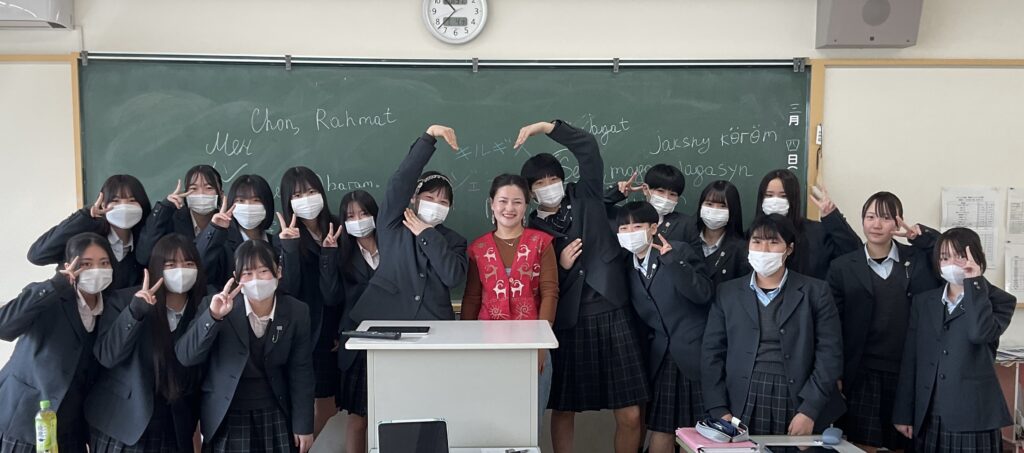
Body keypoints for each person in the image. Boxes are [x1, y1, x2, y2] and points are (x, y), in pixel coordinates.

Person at [517, 120, 648, 453]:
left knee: (631, 412)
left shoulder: (586, 196)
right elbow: (535, 285)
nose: (549, 187)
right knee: (564, 409)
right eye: (540, 183)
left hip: (613, 309)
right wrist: (560, 267)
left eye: (553, 179)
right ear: (530, 193)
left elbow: (588, 148)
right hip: (569, 322)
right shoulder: (531, 230)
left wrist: (548, 127)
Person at [343, 125, 468, 453]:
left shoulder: (453, 240)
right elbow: (400, 180)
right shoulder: (391, 224)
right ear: (414, 198)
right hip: (383, 331)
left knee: (426, 410)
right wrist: (428, 138)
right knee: (371, 413)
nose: (435, 204)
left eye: (443, 201)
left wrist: (427, 233)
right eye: (429, 197)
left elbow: (453, 276)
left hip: (432, 336)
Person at [702, 214, 844, 443]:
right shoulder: (727, 293)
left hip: (798, 401)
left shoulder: (816, 292)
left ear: (789, 249)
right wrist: (719, 408)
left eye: (773, 242)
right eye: (757, 241)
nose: (764, 249)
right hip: (741, 399)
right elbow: (712, 353)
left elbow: (829, 355)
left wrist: (810, 410)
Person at [826, 192, 942, 452]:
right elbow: (831, 327)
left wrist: (920, 237)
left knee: (903, 441)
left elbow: (946, 254)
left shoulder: (918, 259)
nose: (876, 224)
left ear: (898, 222)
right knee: (860, 443)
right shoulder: (842, 267)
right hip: (861, 371)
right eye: (870, 217)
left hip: (907, 371)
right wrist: (835, 373)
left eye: (885, 218)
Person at [175, 240, 314, 453]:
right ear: (236, 277)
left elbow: (301, 371)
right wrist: (213, 317)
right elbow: (186, 356)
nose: (256, 280)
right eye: (247, 273)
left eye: (263, 271)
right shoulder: (216, 305)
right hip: (228, 412)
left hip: (275, 409)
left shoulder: (297, 312)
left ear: (278, 272)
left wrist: (303, 425)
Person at [893, 228, 1015, 452]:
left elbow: (979, 333)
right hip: (929, 412)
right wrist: (903, 412)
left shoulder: (999, 300)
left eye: (959, 256)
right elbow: (912, 358)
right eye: (944, 257)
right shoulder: (924, 302)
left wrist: (974, 283)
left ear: (976, 257)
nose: (951, 263)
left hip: (973, 416)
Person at [87, 233, 206, 452]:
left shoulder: (204, 308)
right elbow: (107, 356)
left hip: (174, 426)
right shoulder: (125, 300)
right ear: (156, 267)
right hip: (124, 423)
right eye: (171, 264)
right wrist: (135, 311)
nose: (181, 270)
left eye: (189, 264)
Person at [0, 232, 116, 453]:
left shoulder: (112, 307)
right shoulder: (48, 296)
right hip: (24, 419)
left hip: (71, 428)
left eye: (104, 263)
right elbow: (4, 327)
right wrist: (55, 285)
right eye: (86, 264)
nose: (96, 270)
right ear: (69, 265)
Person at [461, 173, 559, 431]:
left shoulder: (541, 243)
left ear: (526, 206)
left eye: (517, 202)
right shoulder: (478, 248)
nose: (509, 208)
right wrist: (467, 345)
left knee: (528, 425)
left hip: (531, 344)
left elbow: (549, 292)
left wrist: (541, 346)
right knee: (489, 422)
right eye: (503, 201)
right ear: (492, 204)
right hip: (486, 345)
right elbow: (471, 298)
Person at [616, 201, 711, 453]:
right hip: (661, 358)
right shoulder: (626, 266)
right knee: (662, 429)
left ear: (653, 228)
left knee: (700, 434)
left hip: (695, 354)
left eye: (637, 226)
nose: (630, 233)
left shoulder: (678, 251)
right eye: (624, 228)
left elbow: (703, 294)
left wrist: (672, 261)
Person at [277, 165, 343, 435]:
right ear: (288, 201)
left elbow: (336, 291)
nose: (306, 199)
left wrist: (329, 254)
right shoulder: (285, 237)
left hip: (335, 327)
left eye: (311, 191)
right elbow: (289, 290)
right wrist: (289, 248)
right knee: (307, 400)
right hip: (304, 331)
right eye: (297, 195)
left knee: (332, 403)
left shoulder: (338, 227)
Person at [323, 189, 381, 453]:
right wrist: (328, 255)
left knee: (393, 413)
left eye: (364, 213)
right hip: (357, 343)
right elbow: (331, 296)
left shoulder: (393, 245)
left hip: (393, 337)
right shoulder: (342, 252)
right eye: (350, 216)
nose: (358, 220)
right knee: (359, 419)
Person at [28, 175, 151, 289]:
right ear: (103, 204)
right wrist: (84, 216)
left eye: (132, 200)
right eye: (116, 201)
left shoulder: (145, 243)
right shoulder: (84, 238)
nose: (124, 207)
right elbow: (37, 255)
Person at [753, 169, 860, 279]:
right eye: (769, 195)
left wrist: (832, 217)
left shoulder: (817, 233)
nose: (775, 201)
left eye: (783, 196)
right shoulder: (752, 236)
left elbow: (855, 254)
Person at [200, 174, 277, 288]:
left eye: (256, 200)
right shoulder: (222, 243)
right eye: (240, 200)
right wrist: (215, 229)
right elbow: (201, 271)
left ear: (267, 204)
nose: (248, 206)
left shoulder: (277, 244)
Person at [136, 165, 223, 265]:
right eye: (193, 188)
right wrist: (164, 208)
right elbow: (144, 256)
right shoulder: (172, 220)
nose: (201, 193)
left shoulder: (229, 224)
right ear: (186, 194)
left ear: (221, 193)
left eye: (209, 188)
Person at [681, 180, 750, 293]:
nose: (715, 210)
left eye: (723, 206)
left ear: (733, 210)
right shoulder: (685, 238)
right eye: (709, 204)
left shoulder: (741, 250)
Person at [605, 164, 694, 242]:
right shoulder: (624, 215)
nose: (666, 198)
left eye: (673, 194)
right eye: (660, 191)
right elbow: (597, 210)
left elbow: (694, 254)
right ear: (645, 189)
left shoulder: (685, 224)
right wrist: (616, 193)